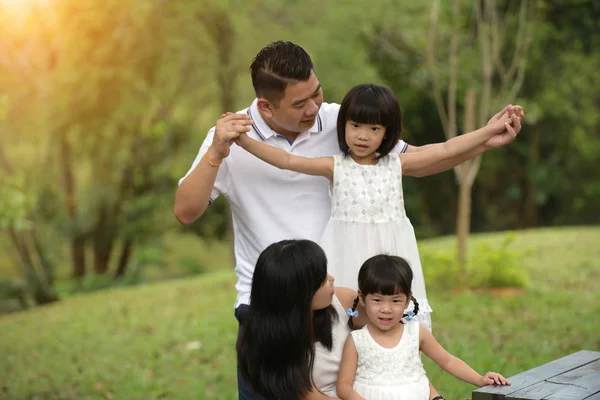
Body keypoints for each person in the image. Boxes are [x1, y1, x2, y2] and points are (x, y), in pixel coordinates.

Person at [174, 40, 523, 399]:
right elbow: (186, 211)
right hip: (270, 310)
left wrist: (484, 140)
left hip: (335, 303)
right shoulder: (230, 138)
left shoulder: (342, 121)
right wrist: (219, 151)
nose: (314, 108)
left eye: (317, 93)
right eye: (300, 103)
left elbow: (419, 160)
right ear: (266, 105)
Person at [234, 83, 522, 332]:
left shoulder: (398, 164)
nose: (362, 136)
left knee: (393, 323)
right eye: (355, 126)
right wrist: (243, 141)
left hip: (392, 254)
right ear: (343, 124)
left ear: (387, 133)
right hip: (346, 254)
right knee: (344, 326)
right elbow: (287, 161)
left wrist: (489, 131)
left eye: (374, 128)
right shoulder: (334, 166)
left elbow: (447, 149)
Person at [237, 239, 440, 400]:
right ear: (300, 295)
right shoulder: (275, 347)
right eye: (322, 279)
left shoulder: (344, 301)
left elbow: (400, 351)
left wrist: (432, 395)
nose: (332, 277)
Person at [337, 254, 510, 400]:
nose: (386, 309)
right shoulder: (357, 340)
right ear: (362, 298)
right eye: (377, 300)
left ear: (408, 300)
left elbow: (448, 361)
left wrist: (480, 380)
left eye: (396, 301)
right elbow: (343, 385)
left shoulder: (416, 332)